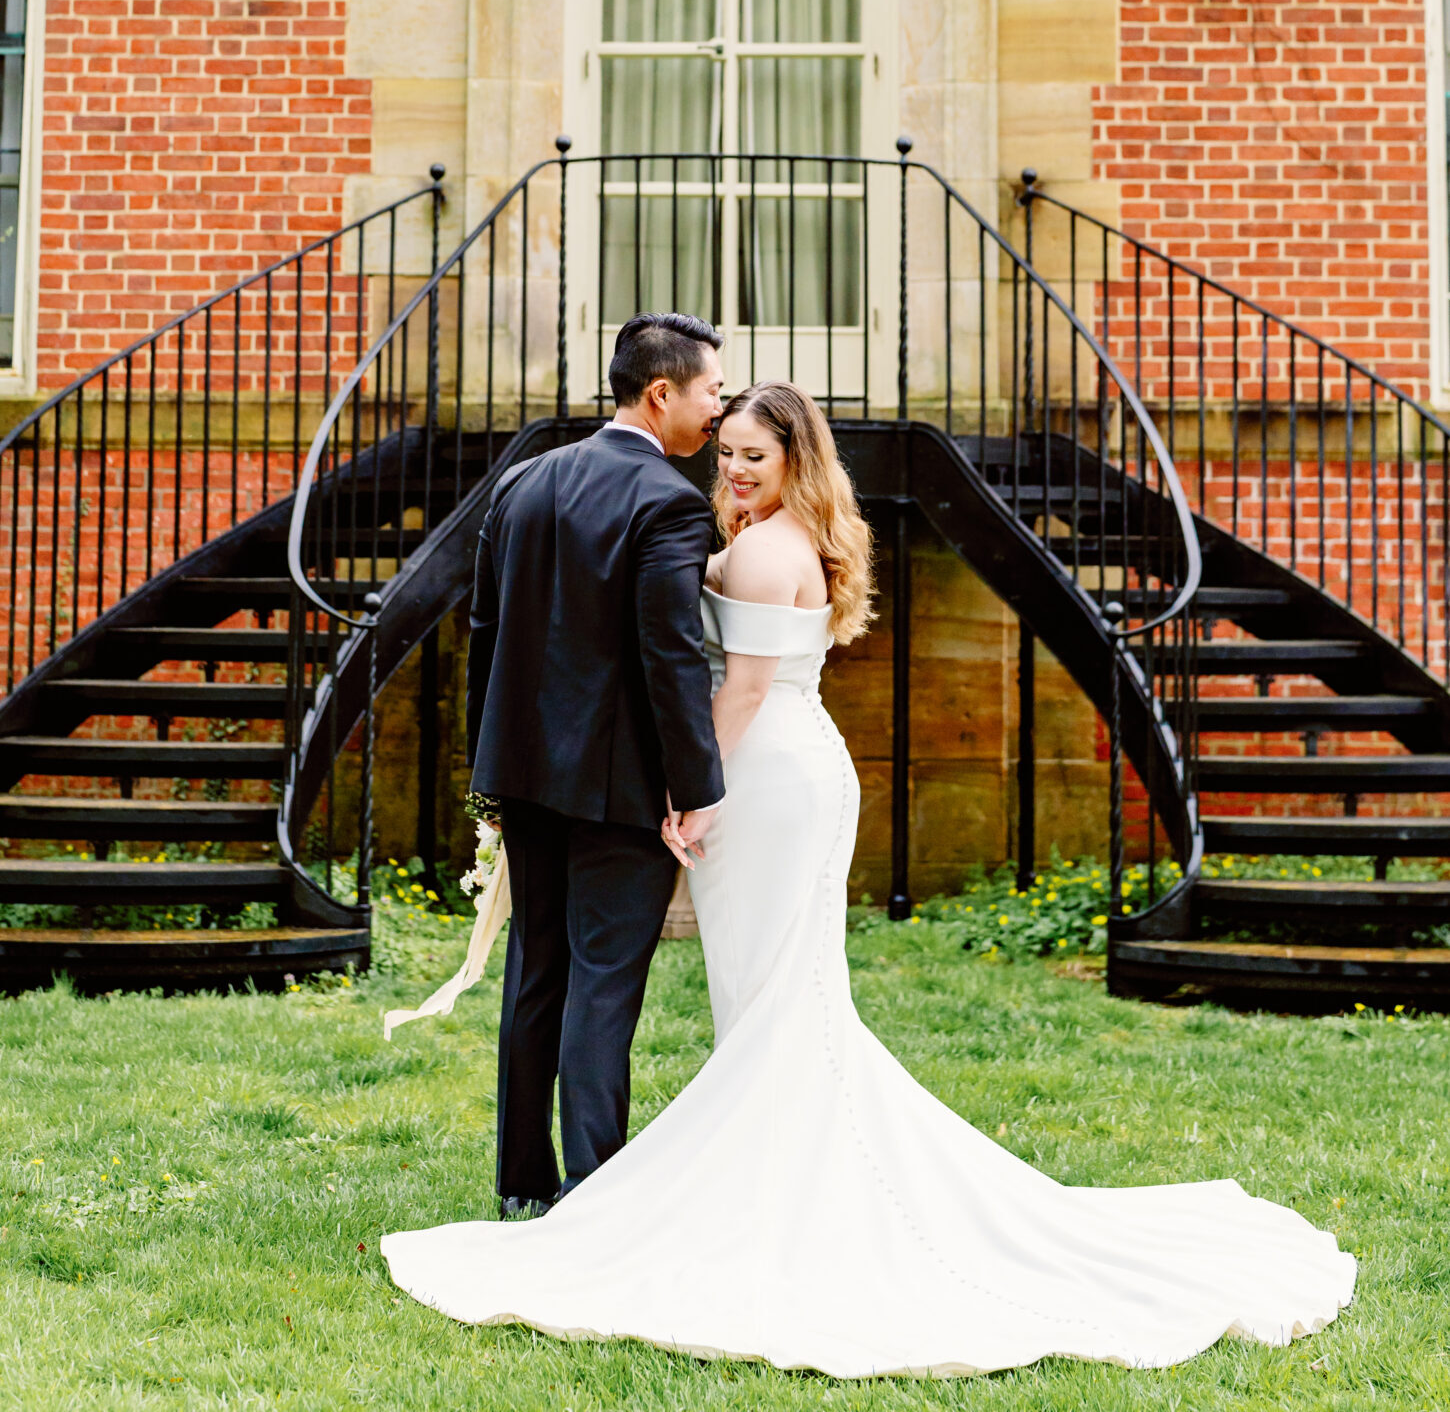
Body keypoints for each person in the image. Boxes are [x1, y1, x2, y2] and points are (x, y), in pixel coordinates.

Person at [384, 382, 1356, 1378]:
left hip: (763, 777)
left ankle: (784, 1185)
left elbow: (747, 685)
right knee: (772, 994)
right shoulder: (769, 532)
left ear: (798, 458)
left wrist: (690, 793)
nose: (733, 468)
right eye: (725, 452)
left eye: (755, 454)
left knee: (773, 995)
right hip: (776, 770)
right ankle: (772, 1174)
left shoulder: (763, 548)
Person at [461, 310, 725, 1217]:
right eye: (710, 394)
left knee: (537, 973)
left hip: (526, 777)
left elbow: (484, 634)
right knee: (604, 984)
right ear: (661, 394)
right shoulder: (671, 503)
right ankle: (595, 1196)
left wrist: (485, 777)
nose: (718, 414)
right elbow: (672, 657)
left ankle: (522, 1187)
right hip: (618, 795)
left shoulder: (525, 481)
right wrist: (694, 791)